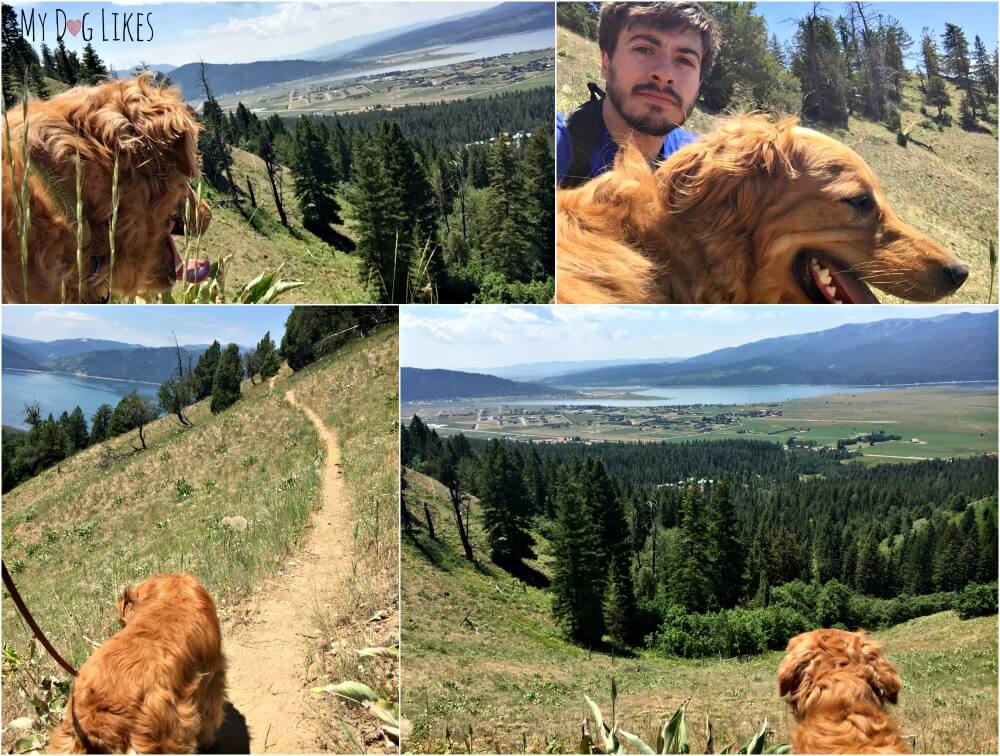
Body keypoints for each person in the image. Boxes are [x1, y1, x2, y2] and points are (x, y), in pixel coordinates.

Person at [556, 1, 721, 188]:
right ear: (606, 62)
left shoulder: (702, 168)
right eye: (644, 49)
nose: (665, 74)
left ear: (699, 84)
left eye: (684, 60)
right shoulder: (560, 150)